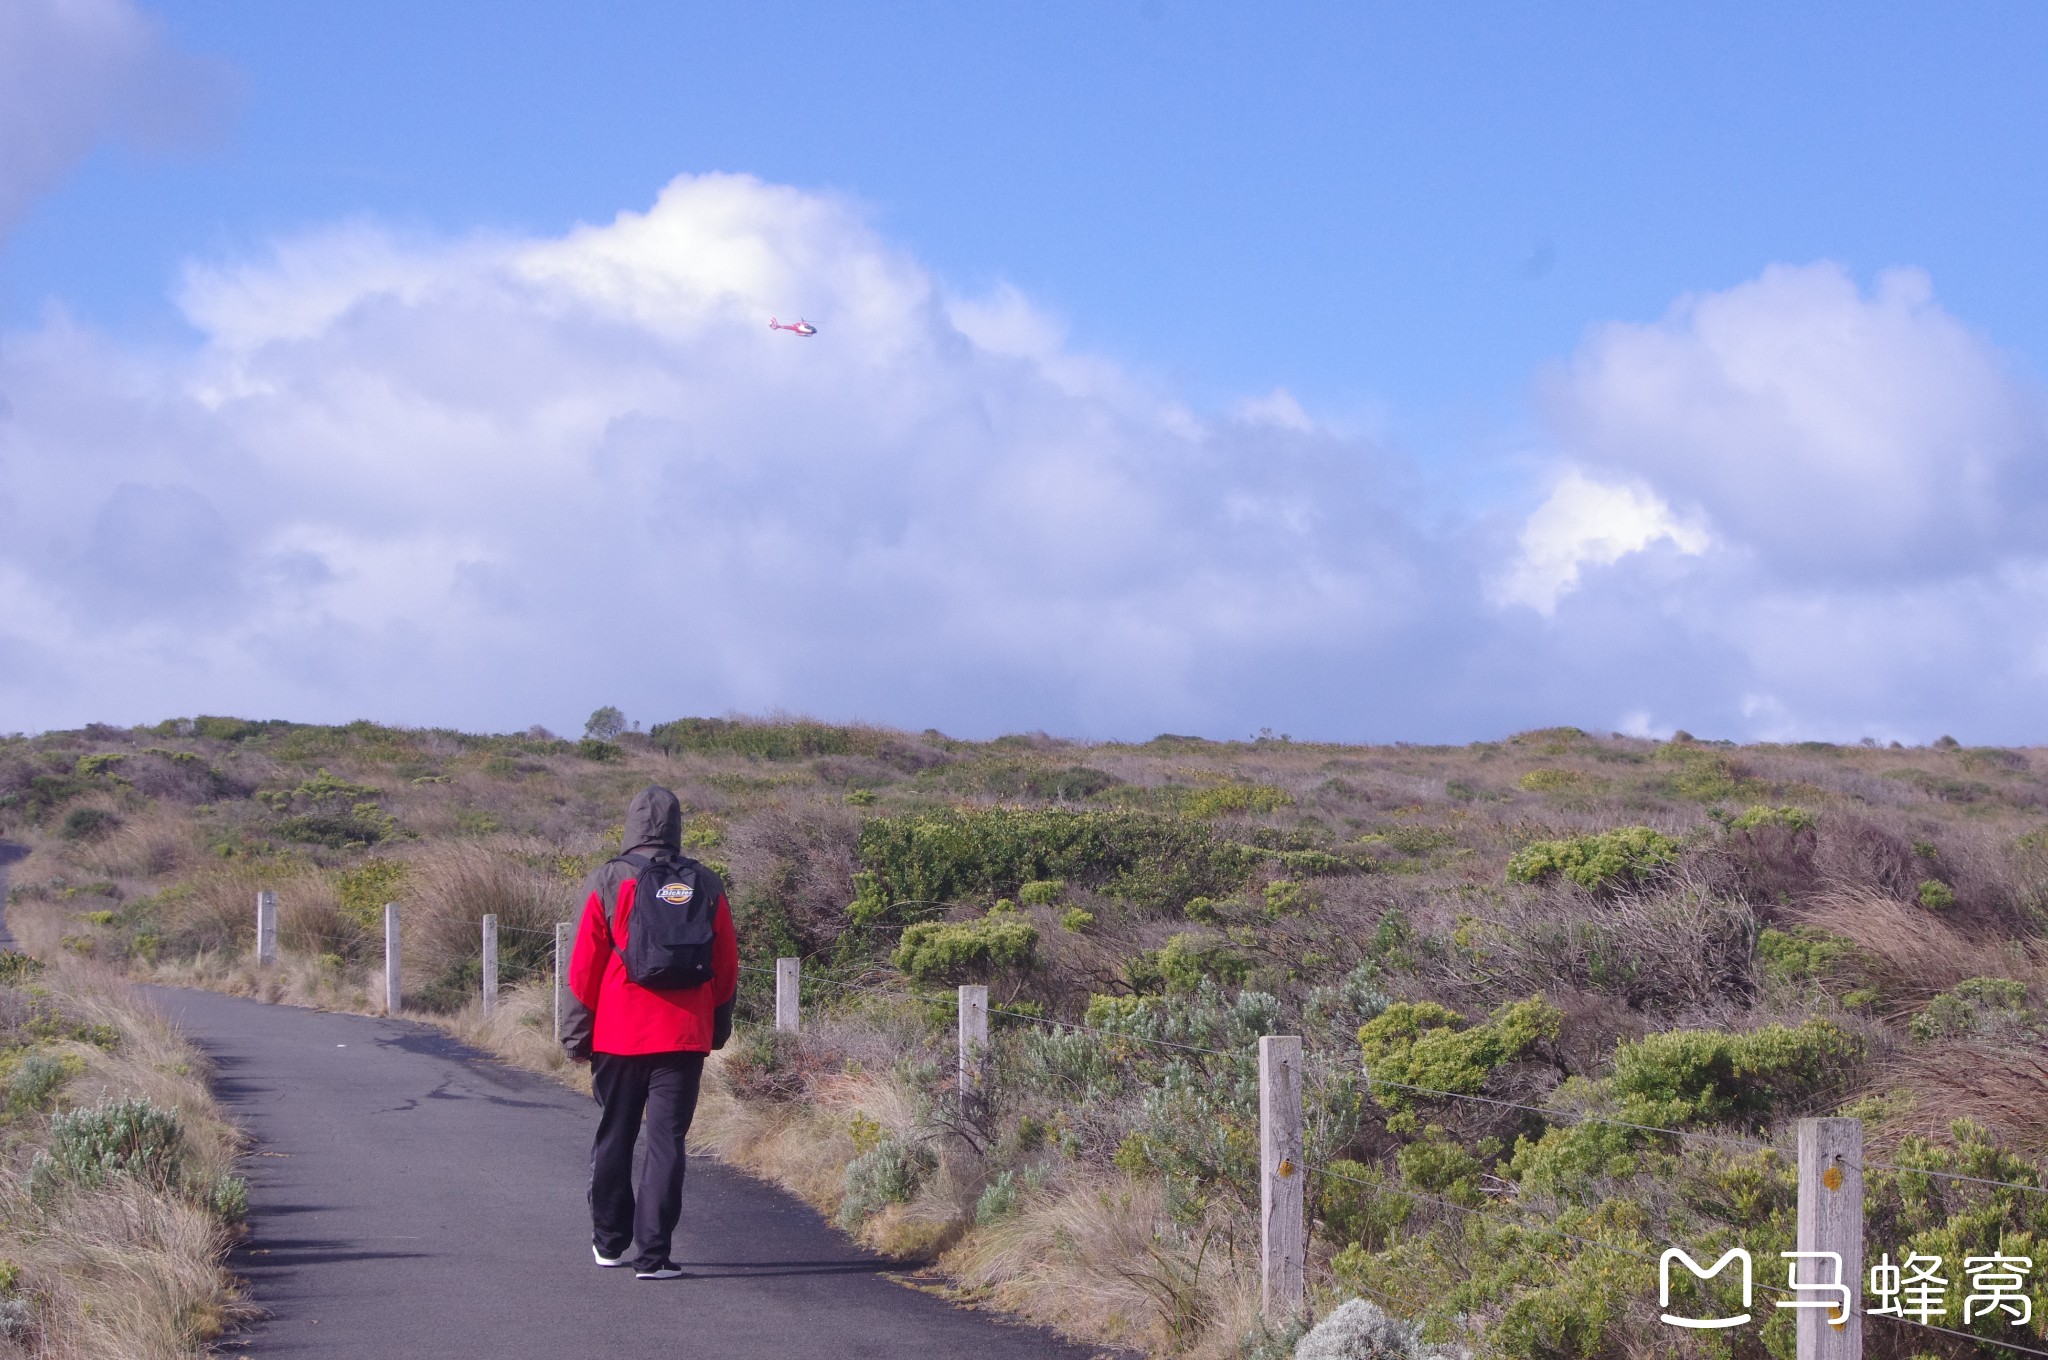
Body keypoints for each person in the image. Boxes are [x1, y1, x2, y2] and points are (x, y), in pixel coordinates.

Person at [561, 785, 738, 1279]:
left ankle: (609, 1243)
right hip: (683, 1037)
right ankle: (654, 1257)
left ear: (632, 824)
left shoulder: (607, 880)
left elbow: (583, 970)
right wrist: (715, 1031)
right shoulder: (706, 882)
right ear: (677, 826)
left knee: (614, 1135)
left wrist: (577, 1037)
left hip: (617, 1035)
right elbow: (725, 968)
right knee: (667, 1143)